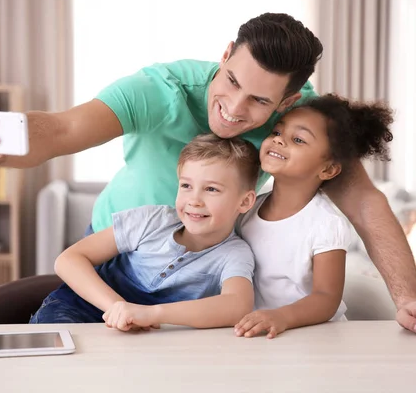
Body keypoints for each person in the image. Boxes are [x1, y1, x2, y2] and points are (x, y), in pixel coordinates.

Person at [0, 13, 416, 342]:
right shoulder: (158, 88)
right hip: (121, 254)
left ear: (287, 101)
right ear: (224, 56)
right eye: (232, 81)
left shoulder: (300, 127)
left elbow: (367, 205)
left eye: (259, 100)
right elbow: (59, 131)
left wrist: (409, 297)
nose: (234, 109)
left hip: (204, 276)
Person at [233, 95, 416, 340]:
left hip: (314, 339)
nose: (278, 140)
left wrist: (281, 317)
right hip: (261, 335)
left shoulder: (326, 224)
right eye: (277, 131)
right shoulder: (247, 209)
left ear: (329, 169)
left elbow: (326, 299)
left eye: (298, 139)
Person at [29, 134, 259, 329]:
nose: (194, 200)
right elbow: (68, 260)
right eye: (186, 186)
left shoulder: (234, 253)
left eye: (211, 189)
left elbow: (237, 305)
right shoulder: (152, 220)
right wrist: (118, 308)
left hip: (148, 331)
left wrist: (152, 314)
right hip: (76, 310)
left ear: (245, 201)